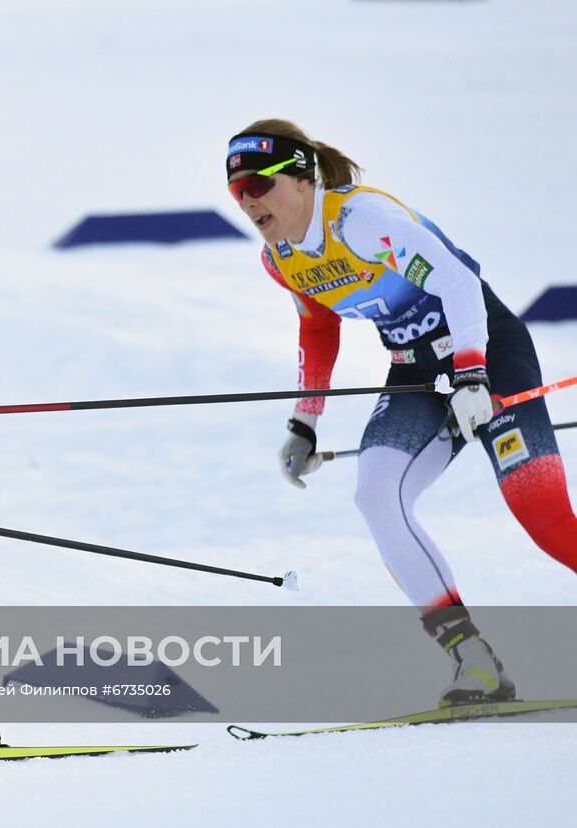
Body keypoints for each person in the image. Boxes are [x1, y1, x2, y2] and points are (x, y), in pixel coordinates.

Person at [226, 119, 577, 705]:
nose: (247, 202)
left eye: (258, 186)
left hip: (488, 352)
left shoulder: (360, 222)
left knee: (541, 514)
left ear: (300, 176)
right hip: (416, 372)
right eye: (236, 192)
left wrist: (471, 370)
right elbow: (317, 326)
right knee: (376, 492)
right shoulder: (280, 256)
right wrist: (305, 421)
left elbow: (459, 282)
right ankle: (476, 663)